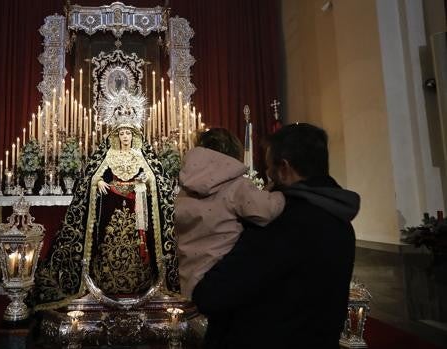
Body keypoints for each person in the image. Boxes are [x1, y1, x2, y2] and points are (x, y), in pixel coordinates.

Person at [192, 123, 360, 348]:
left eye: (269, 168)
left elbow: (212, 295)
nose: (268, 177)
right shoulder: (339, 219)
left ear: (284, 169)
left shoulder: (282, 221)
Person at [35, 90, 179, 309]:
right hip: (109, 216)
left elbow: (157, 180)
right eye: (121, 133)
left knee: (138, 248)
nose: (125, 137)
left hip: (137, 214)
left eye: (128, 134)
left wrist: (144, 182)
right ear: (116, 135)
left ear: (134, 135)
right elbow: (91, 179)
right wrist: (98, 183)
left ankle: (141, 280)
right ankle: (105, 279)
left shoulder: (142, 156)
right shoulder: (107, 155)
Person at [174, 128, 284, 299]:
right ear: (233, 154)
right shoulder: (237, 186)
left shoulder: (184, 189)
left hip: (187, 280)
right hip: (220, 282)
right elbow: (267, 211)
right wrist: (279, 194)